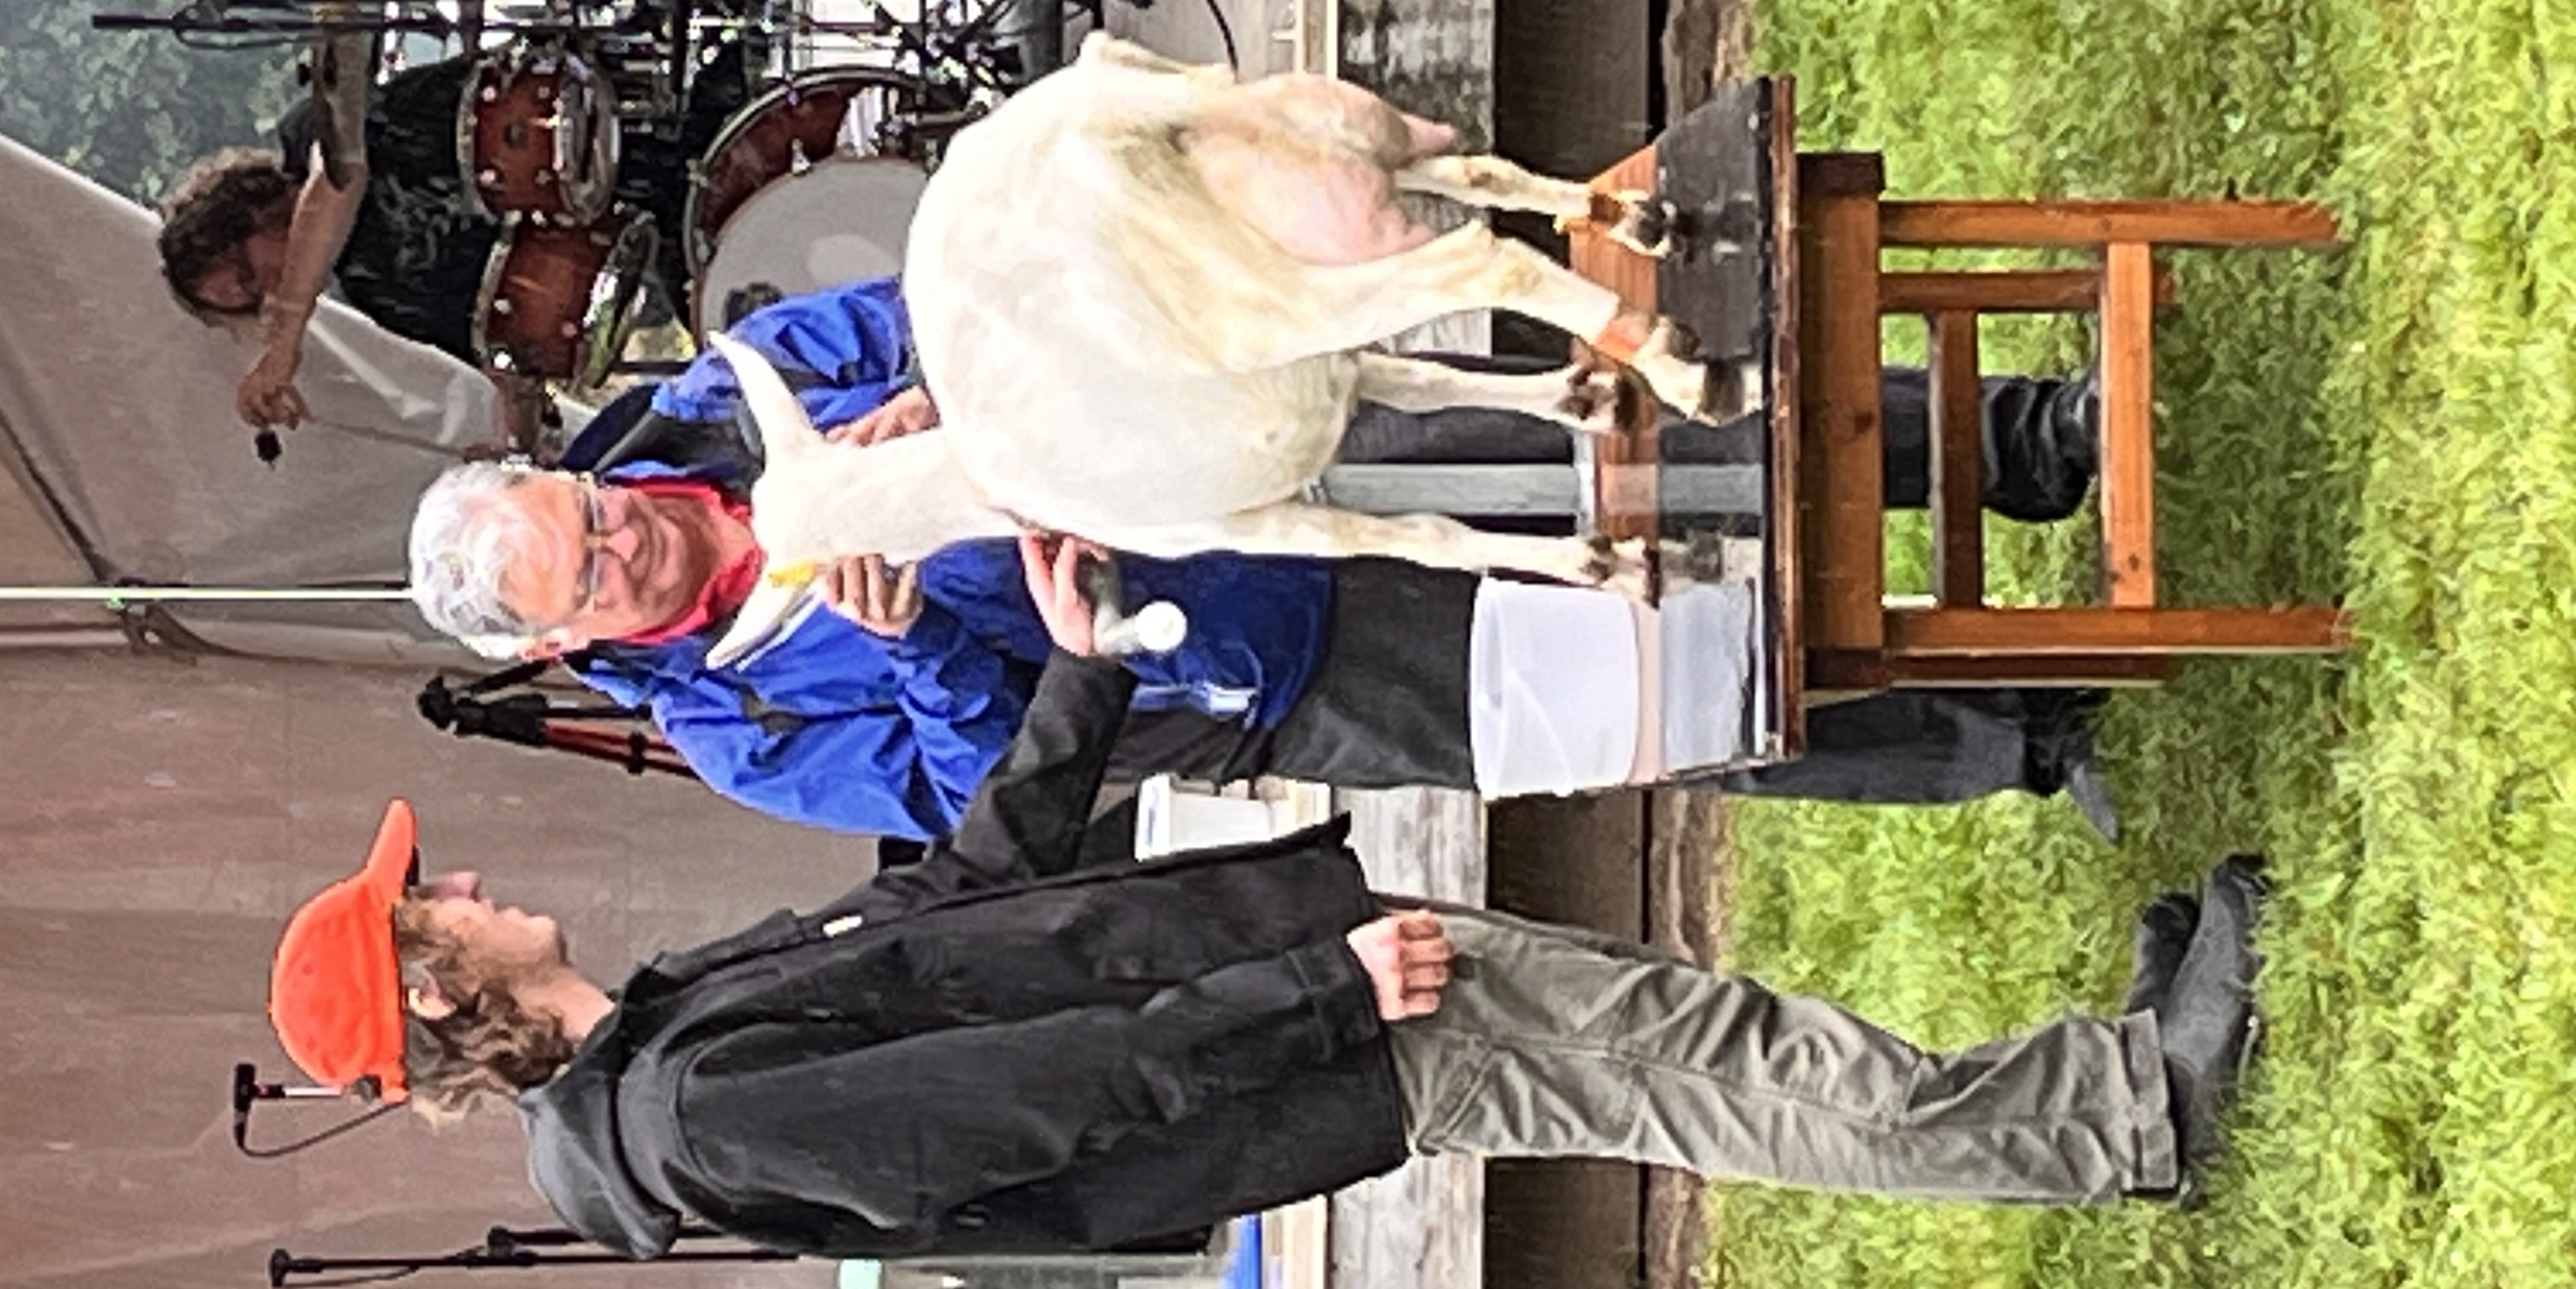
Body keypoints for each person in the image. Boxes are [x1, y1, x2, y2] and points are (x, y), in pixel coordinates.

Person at [260, 687, 2264, 1260]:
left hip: (1298, 984)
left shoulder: (669, 1024)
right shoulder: (691, 1112)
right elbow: (1042, 1095)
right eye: (444, 907)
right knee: (1706, 1060)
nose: (480, 881)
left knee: (1695, 1051)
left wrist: (1083, 657)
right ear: (451, 994)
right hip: (1311, 1034)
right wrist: (1319, 1001)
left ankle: (2091, 1091)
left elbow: (976, 894)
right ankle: (2128, 1113)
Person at [406, 272, 2122, 839]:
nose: (627, 536)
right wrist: (925, 633)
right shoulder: (737, 730)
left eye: (595, 507)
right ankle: (2020, 734)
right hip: (1251, 668)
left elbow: (971, 285)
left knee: (1616, 440)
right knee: (1653, 703)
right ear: (565, 649)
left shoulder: (741, 382)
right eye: (599, 575)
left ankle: (2021, 441)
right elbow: (985, 806)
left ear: (565, 466)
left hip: (1243, 448)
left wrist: (934, 393)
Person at [157, 59, 538, 445]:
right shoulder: (373, 292)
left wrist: (284, 340)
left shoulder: (304, 134)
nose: (271, 294)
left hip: (546, 129)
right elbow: (503, 353)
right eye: (254, 302)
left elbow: (340, 178)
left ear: (248, 214)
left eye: (247, 276)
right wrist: (510, 452)